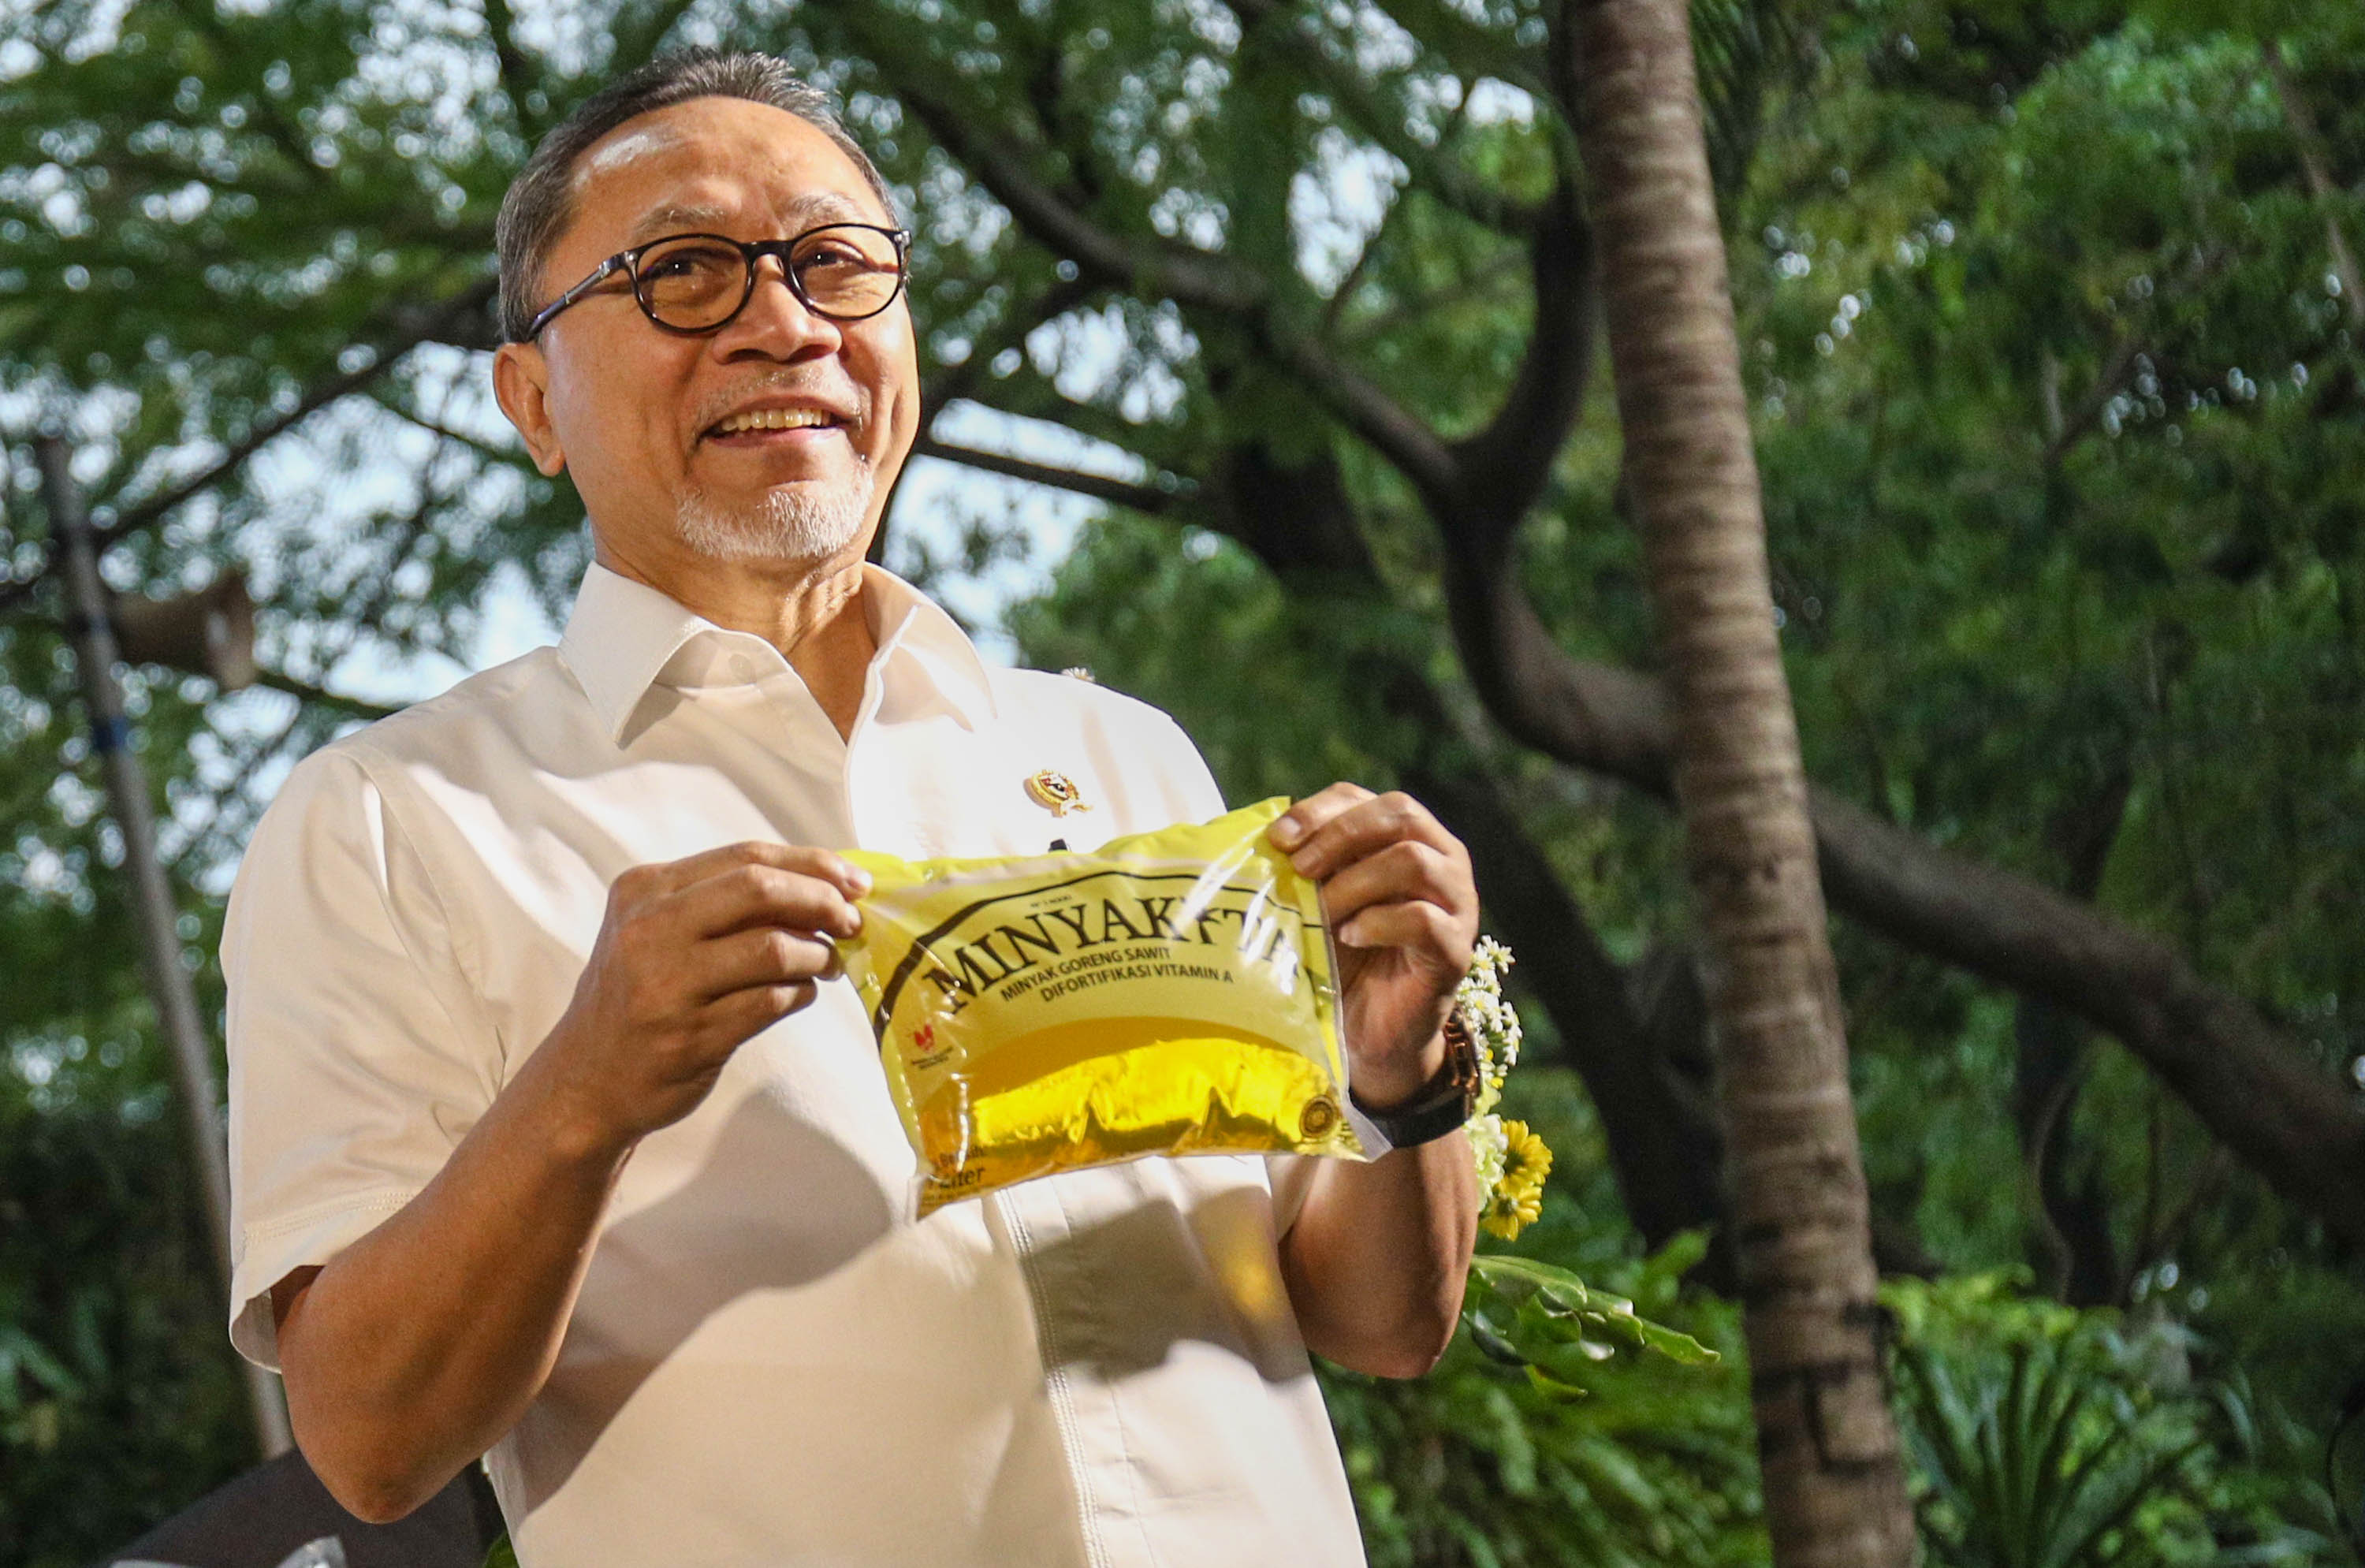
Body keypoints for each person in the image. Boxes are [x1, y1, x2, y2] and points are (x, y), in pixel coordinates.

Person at [224, 49, 1480, 1567]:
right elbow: (366, 1446)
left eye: (835, 261)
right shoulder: (387, 819)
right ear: (530, 400)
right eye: (681, 271)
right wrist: (588, 1087)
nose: (781, 319)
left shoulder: (1126, 752)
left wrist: (1397, 1077)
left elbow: (1385, 1323)